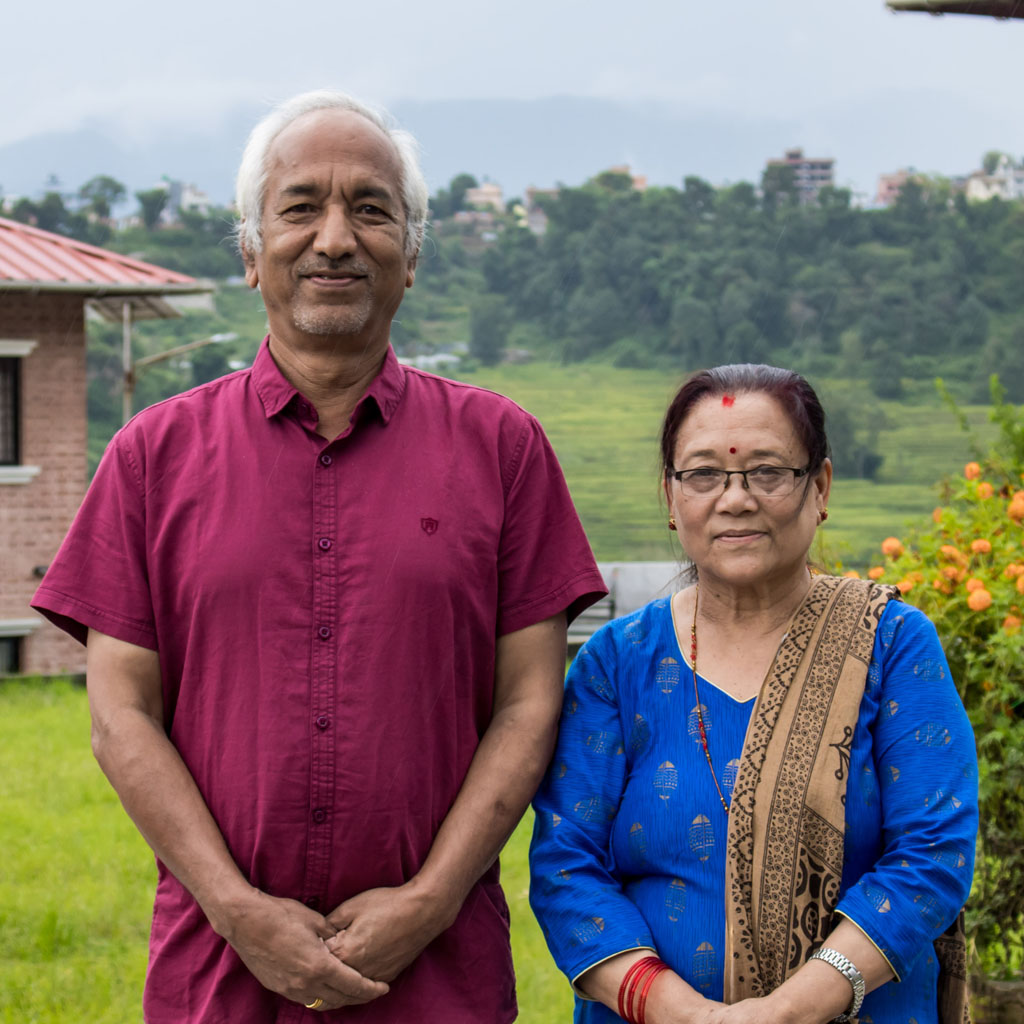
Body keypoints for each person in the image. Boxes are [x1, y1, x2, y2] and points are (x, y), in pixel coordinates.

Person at [32, 90, 606, 1023]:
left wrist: (427, 903)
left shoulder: (503, 449)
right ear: (252, 250)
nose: (335, 238)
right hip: (218, 972)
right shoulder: (151, 455)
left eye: (372, 209)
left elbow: (530, 704)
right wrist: (238, 909)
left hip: (438, 976)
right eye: (300, 207)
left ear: (412, 257)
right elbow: (120, 713)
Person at [529, 363, 977, 1024]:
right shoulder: (616, 664)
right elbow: (568, 872)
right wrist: (683, 1014)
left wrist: (791, 1011)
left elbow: (932, 857)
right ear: (670, 497)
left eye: (768, 471)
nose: (734, 499)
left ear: (819, 487)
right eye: (703, 474)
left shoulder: (890, 645)